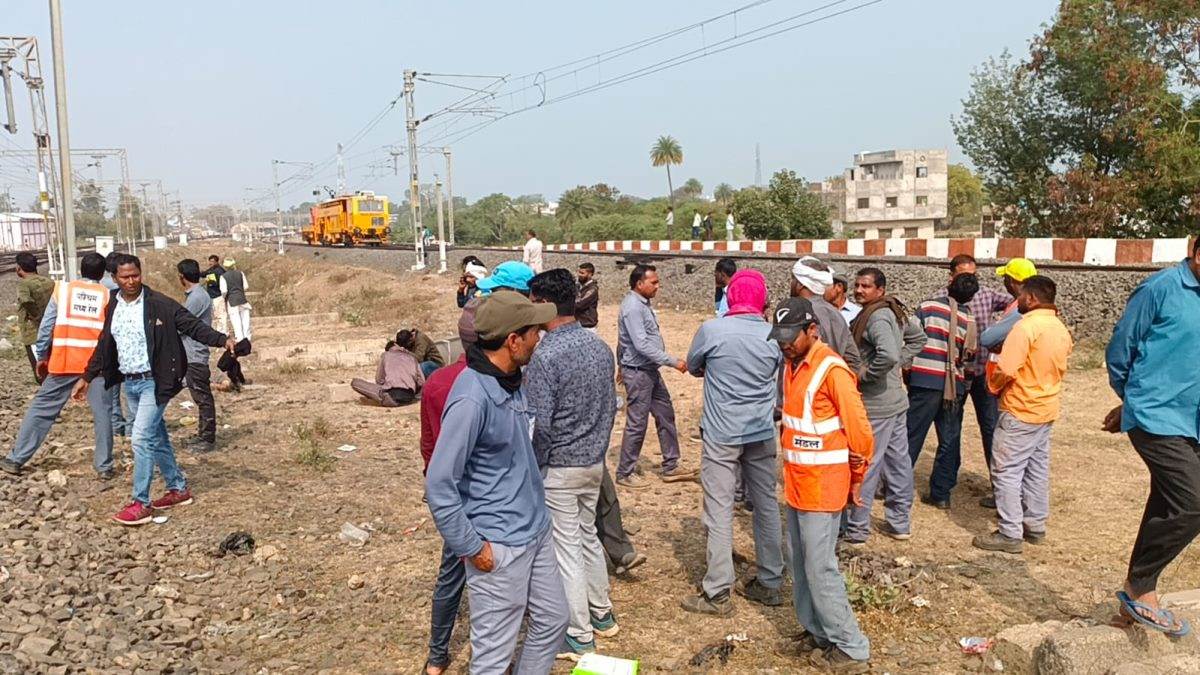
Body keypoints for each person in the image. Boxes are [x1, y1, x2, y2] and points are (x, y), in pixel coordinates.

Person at [425, 291, 567, 673]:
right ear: (513, 340)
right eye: (535, 331)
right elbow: (439, 483)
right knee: (492, 659)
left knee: (554, 620)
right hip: (499, 546)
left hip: (535, 532)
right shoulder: (472, 398)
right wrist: (473, 547)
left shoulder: (510, 380)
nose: (541, 337)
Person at [73, 254, 236, 526]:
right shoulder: (112, 303)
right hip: (131, 383)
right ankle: (178, 488)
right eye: (125, 277)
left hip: (155, 382)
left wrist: (222, 340)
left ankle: (141, 502)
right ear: (114, 278)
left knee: (140, 439)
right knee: (156, 436)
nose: (131, 281)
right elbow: (104, 343)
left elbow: (192, 325)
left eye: (135, 275)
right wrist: (87, 375)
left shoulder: (159, 304)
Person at [1103, 237, 1200, 637]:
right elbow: (1120, 350)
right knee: (1194, 501)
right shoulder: (1162, 289)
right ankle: (1139, 586)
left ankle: (1138, 599)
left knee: (1167, 503)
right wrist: (1134, 400)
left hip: (1192, 420)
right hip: (1156, 417)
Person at [771, 297, 873, 672]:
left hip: (823, 486)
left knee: (820, 567)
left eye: (790, 337)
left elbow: (860, 433)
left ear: (811, 330)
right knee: (800, 563)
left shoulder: (833, 371)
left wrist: (857, 481)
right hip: (798, 484)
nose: (784, 343)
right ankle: (817, 631)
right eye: (779, 337)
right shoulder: (791, 365)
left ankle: (851, 646)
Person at [525, 269, 620, 660]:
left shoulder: (546, 356)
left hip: (560, 469)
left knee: (566, 551)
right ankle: (602, 614)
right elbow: (612, 408)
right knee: (587, 539)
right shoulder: (599, 347)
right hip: (593, 463)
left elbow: (539, 426)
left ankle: (578, 634)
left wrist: (533, 466)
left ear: (545, 305)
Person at [681, 269, 786, 616]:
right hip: (760, 430)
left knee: (720, 508)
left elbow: (695, 365)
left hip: (721, 433)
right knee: (766, 504)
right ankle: (771, 581)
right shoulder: (773, 335)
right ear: (762, 299)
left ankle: (718, 592)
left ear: (731, 296)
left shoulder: (713, 330)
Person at [972, 276, 1072, 554]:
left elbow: (1007, 368)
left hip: (1020, 408)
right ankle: (1035, 525)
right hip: (1046, 407)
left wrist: (993, 386)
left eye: (1023, 297)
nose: (1020, 301)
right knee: (1036, 469)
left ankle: (1009, 532)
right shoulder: (1059, 328)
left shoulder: (1025, 327)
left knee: (1006, 471)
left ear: (1031, 299)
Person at [0, 253, 119, 479]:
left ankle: (16, 459)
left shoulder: (62, 291)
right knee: (103, 413)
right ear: (103, 273)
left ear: (81, 270)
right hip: (96, 366)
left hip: (65, 361)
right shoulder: (107, 296)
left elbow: (46, 326)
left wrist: (42, 355)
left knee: (42, 409)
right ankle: (104, 467)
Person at [844, 267, 926, 545]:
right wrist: (896, 364)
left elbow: (888, 354)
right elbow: (917, 338)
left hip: (877, 403)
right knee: (898, 462)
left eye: (865, 286)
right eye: (856, 285)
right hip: (896, 401)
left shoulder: (877, 317)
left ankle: (857, 527)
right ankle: (899, 522)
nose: (858, 290)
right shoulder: (893, 310)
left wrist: (867, 373)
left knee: (867, 464)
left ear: (880, 289)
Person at [418, 305, 476, 675]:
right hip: (487, 492)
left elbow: (427, 444)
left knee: (450, 575)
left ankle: (437, 658)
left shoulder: (439, 382)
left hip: (452, 492)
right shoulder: (497, 381)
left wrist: (436, 486)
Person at [615, 264, 694, 488]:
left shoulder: (642, 305)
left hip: (649, 370)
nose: (658, 286)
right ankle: (625, 472)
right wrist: (673, 361)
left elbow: (624, 340)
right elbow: (640, 344)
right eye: (654, 282)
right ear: (639, 284)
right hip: (639, 372)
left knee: (665, 414)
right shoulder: (632, 307)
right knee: (637, 423)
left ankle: (671, 464)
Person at [946, 254, 1016, 506]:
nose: (970, 279)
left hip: (983, 373)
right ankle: (945, 483)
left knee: (991, 429)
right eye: (965, 275)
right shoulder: (942, 298)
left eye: (973, 274)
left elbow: (1020, 305)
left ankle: (999, 486)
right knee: (951, 429)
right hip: (956, 374)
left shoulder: (987, 294)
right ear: (951, 274)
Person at [906, 272, 979, 509]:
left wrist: (908, 370)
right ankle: (941, 493)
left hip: (925, 380)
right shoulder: (970, 319)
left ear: (949, 286)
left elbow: (908, 337)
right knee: (950, 439)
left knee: (911, 435)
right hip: (953, 386)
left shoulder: (927, 307)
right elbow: (970, 358)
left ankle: (896, 486)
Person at [976, 257, 1038, 507]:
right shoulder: (1033, 309)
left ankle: (1009, 508)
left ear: (1013, 282)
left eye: (1006, 278)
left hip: (1008, 389)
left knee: (1008, 453)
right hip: (1029, 392)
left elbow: (988, 337)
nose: (1003, 282)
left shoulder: (1019, 311)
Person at [787, 256, 863, 372]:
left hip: (804, 384)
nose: (791, 284)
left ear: (800, 284)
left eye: (793, 280)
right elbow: (853, 360)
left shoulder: (796, 313)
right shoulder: (836, 313)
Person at [177, 259, 218, 454]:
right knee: (199, 396)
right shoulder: (197, 295)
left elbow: (181, 323)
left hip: (195, 354)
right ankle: (203, 434)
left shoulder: (196, 298)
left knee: (202, 397)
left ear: (181, 277)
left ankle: (207, 438)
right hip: (191, 353)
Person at [350, 330, 425, 407]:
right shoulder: (412, 358)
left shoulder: (386, 356)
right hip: (410, 396)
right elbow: (421, 381)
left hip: (392, 397)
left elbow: (379, 380)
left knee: (355, 382)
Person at [15, 251, 55, 383]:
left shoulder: (24, 284)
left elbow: (26, 300)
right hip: (51, 330)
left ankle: (47, 397)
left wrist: (37, 317)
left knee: (40, 370)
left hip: (33, 333)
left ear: (19, 267)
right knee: (50, 363)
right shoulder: (49, 282)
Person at [219, 258, 252, 341]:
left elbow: (224, 291)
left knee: (236, 321)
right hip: (242, 298)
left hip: (232, 300)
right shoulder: (240, 273)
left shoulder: (223, 277)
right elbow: (246, 286)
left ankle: (240, 338)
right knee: (245, 319)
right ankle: (247, 337)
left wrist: (224, 298)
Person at [202, 254, 227, 335]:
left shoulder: (220, 271)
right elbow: (204, 274)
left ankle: (223, 332)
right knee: (215, 315)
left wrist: (210, 281)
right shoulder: (211, 270)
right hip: (211, 296)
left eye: (212, 261)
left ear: (216, 262)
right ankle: (218, 331)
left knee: (221, 315)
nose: (210, 263)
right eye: (210, 261)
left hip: (218, 295)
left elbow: (221, 284)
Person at [575, 262, 599, 332]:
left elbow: (579, 304)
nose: (579, 275)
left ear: (590, 274)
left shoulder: (592, 289)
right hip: (577, 324)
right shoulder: (577, 286)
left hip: (588, 326)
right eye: (579, 272)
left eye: (582, 273)